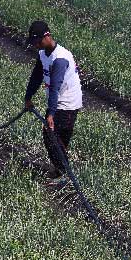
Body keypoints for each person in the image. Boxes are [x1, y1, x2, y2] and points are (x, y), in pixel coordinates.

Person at [23, 21, 83, 185]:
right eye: (34, 42)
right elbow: (36, 77)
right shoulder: (43, 54)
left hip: (68, 103)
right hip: (59, 101)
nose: (36, 45)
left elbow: (55, 87)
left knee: (50, 135)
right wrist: (28, 97)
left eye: (38, 41)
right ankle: (62, 170)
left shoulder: (61, 58)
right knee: (58, 138)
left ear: (47, 36)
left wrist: (50, 113)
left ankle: (65, 174)